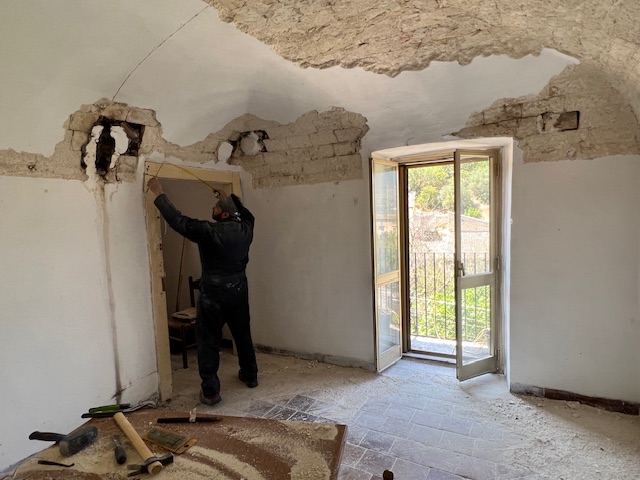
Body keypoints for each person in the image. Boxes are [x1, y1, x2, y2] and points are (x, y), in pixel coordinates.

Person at [146, 176, 258, 406]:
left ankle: (210, 392)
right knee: (242, 334)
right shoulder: (246, 229)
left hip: (213, 295)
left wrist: (159, 195)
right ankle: (250, 375)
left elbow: (179, 221)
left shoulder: (209, 231)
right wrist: (230, 199)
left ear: (224, 215)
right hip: (238, 290)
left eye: (217, 207)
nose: (213, 208)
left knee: (208, 341)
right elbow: (248, 215)